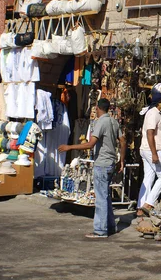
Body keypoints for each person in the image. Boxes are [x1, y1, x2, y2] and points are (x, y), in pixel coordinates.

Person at [58, 98, 126, 239]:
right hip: (111, 162)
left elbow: (90, 144)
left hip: (102, 163)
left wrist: (69, 147)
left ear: (97, 108)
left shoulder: (101, 122)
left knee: (101, 198)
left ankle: (100, 230)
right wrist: (122, 160)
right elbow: (123, 141)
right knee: (105, 196)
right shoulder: (113, 122)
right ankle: (110, 226)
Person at [137, 83, 161, 217]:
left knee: (149, 177)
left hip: (146, 149)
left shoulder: (156, 112)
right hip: (153, 149)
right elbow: (150, 133)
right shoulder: (153, 113)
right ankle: (148, 203)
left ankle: (140, 207)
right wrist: (155, 153)